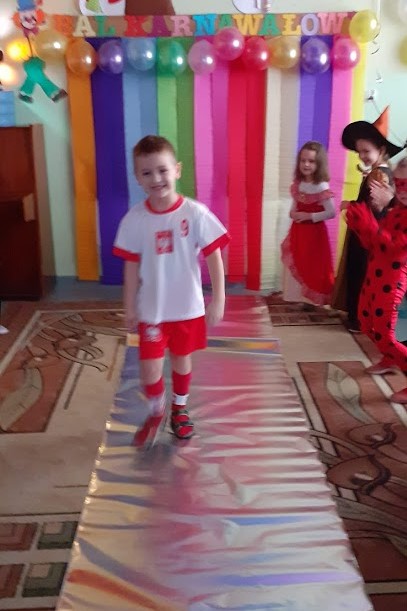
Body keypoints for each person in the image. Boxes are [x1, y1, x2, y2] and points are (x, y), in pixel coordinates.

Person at [113, 135, 230, 446]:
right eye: (147, 173)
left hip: (186, 307)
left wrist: (218, 298)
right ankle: (157, 410)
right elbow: (130, 266)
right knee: (149, 367)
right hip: (152, 309)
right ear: (137, 178)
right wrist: (129, 306)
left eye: (162, 170)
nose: (156, 179)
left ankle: (179, 409)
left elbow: (214, 254)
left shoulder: (195, 213)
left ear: (177, 170)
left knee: (181, 359)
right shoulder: (135, 220)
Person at [333, 107, 402, 332]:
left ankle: (358, 319)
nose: (362, 155)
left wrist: (350, 206)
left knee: (360, 273)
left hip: (368, 235)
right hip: (367, 233)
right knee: (358, 272)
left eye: (366, 151)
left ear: (381, 149)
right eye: (359, 151)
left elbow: (375, 207)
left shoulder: (380, 174)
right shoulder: (377, 172)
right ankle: (358, 316)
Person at [346, 161, 407, 403]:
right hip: (374, 274)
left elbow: (395, 247)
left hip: (392, 280)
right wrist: (360, 226)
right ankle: (390, 358)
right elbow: (374, 244)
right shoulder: (396, 212)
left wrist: (370, 226)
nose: (402, 191)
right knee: (365, 322)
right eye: (399, 184)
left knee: (385, 333)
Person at [280, 140, 335, 307]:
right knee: (297, 259)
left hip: (314, 235)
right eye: (303, 160)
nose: (306, 164)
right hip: (298, 232)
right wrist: (293, 213)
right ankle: (295, 296)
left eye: (311, 161)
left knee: (313, 265)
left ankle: (311, 299)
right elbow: (294, 206)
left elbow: (331, 212)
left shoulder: (321, 186)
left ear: (319, 164)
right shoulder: (298, 184)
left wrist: (309, 216)